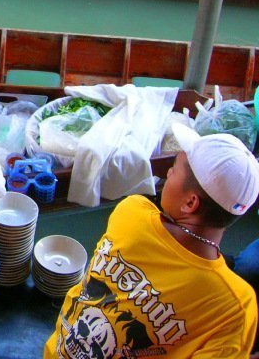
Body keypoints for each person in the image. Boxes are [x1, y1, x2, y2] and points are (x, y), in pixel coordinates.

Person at [43, 123, 259, 358]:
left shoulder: (133, 211)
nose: (167, 174)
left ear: (190, 203)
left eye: (174, 169)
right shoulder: (235, 307)